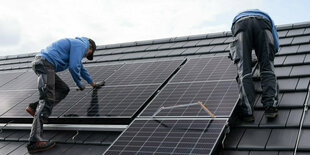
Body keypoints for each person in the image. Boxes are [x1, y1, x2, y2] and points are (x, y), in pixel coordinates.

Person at [26, 37, 102, 153]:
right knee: (47, 99)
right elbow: (73, 66)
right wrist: (79, 83)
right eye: (87, 55)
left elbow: (81, 68)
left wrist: (92, 84)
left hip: (44, 63)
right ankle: (35, 141)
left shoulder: (75, 45)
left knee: (63, 89)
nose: (84, 56)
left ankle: (33, 107)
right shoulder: (81, 45)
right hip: (45, 63)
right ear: (90, 47)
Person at [229, 9, 279, 122]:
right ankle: (270, 107)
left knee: (244, 70)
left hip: (240, 23)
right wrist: (268, 56)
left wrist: (243, 59)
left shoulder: (236, 21)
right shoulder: (268, 18)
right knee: (267, 68)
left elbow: (238, 50)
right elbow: (275, 45)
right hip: (263, 22)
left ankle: (247, 112)